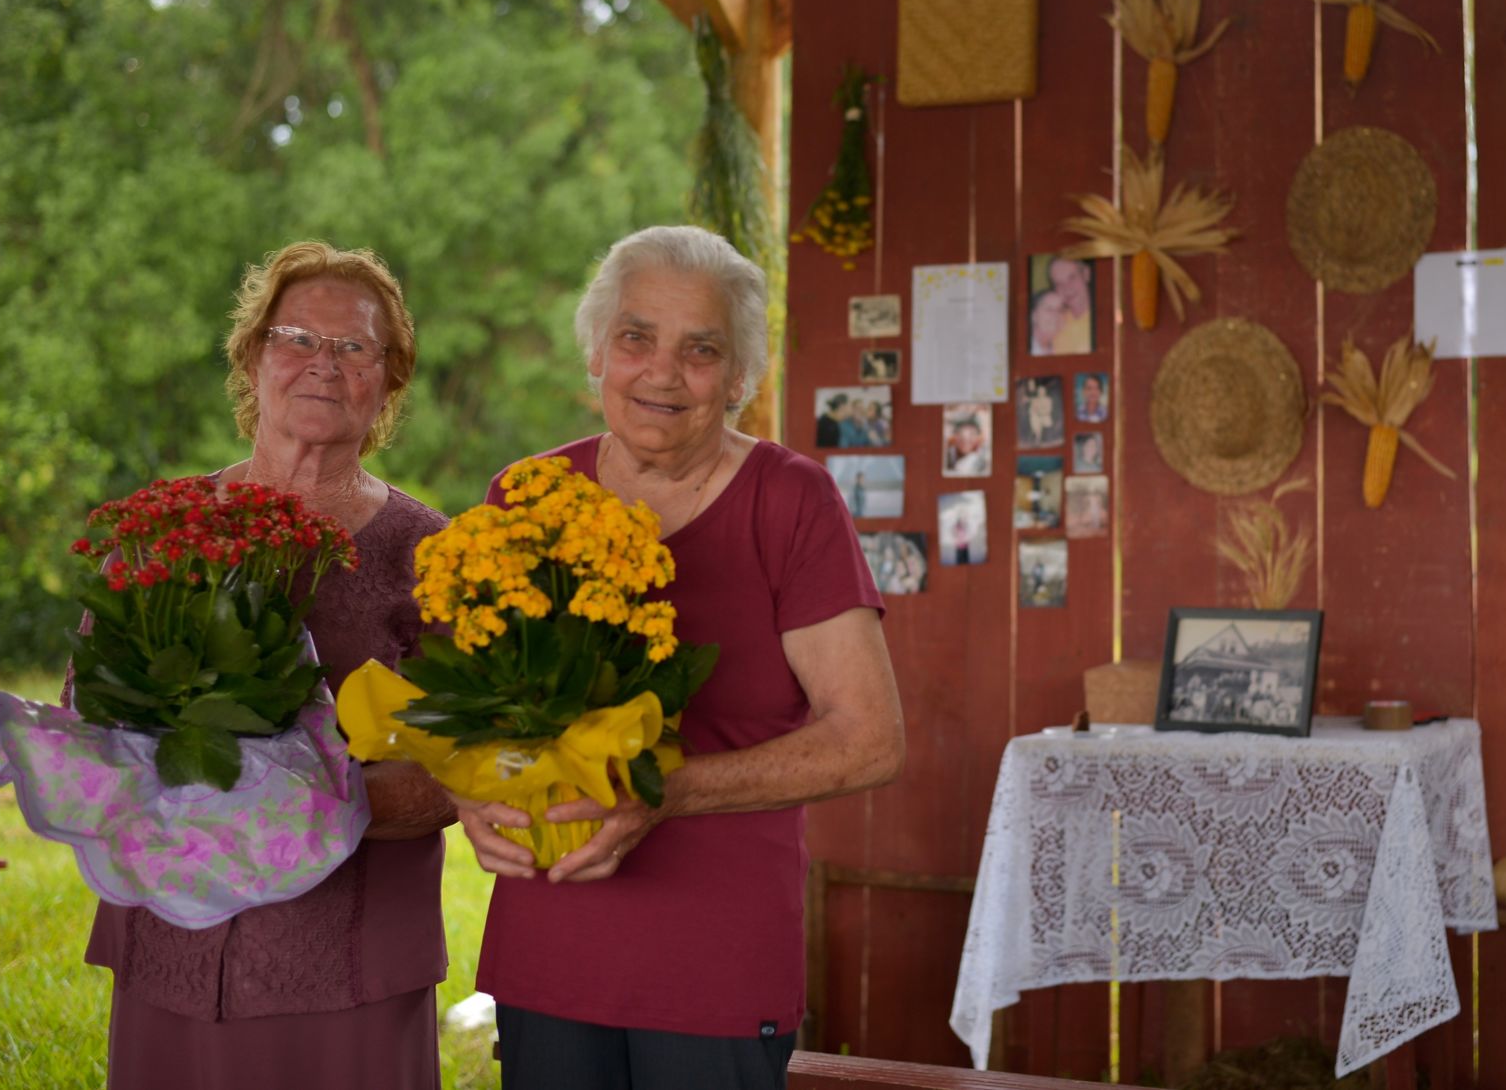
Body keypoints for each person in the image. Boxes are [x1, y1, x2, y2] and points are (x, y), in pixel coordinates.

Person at [455, 225, 906, 1090]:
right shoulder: (528, 495)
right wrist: (466, 790)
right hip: (551, 937)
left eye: (700, 350)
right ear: (597, 351)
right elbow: (475, 704)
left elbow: (870, 739)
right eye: (636, 338)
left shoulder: (789, 501)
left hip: (714, 956)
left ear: (739, 377)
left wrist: (661, 794)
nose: (662, 372)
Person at [70, 242, 456, 1090]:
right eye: (298, 339)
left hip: (349, 967)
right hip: (171, 948)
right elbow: (87, 722)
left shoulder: (432, 554)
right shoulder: (165, 527)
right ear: (254, 357)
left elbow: (458, 768)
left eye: (356, 348)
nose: (325, 365)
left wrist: (293, 811)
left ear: (389, 380)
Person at [1046, 256, 1093, 355]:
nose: (1067, 288)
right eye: (1059, 284)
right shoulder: (1055, 323)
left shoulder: (1105, 319)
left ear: (1086, 274)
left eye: (1071, 277)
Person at [1028, 288, 1065, 356]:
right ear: (1034, 315)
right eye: (1049, 309)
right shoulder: (1028, 350)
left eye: (1060, 310)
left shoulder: (1059, 350)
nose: (1056, 315)